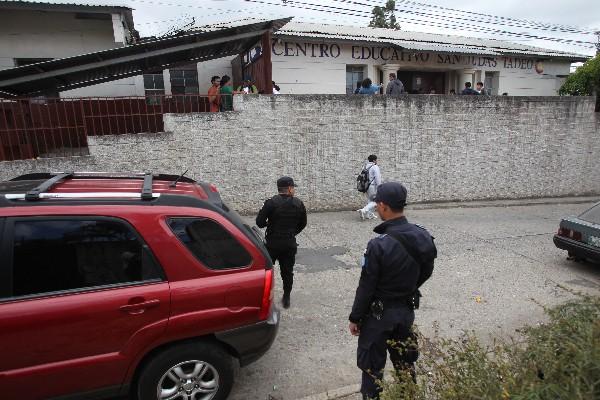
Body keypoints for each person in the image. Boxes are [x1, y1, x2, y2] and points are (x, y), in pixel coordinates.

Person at [349, 182, 437, 400]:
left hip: (378, 317)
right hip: (405, 312)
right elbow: (427, 270)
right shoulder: (423, 235)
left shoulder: (378, 245)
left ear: (383, 206)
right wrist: (409, 287)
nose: (377, 208)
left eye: (378, 204)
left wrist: (355, 317)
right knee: (405, 364)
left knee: (372, 370)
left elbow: (367, 286)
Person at [256, 176, 307, 309]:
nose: (294, 190)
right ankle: (286, 298)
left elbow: (259, 223)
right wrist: (291, 232)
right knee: (287, 272)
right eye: (293, 187)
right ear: (289, 188)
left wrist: (270, 224)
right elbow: (303, 223)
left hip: (272, 243)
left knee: (266, 270)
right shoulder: (299, 203)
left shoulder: (270, 203)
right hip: (289, 244)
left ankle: (264, 296)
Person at [357, 155, 382, 220]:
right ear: (374, 160)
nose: (377, 161)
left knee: (370, 200)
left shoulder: (365, 166)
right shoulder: (375, 167)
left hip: (366, 186)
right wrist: (380, 187)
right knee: (376, 201)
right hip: (373, 186)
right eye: (376, 160)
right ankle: (364, 210)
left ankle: (369, 215)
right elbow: (377, 178)